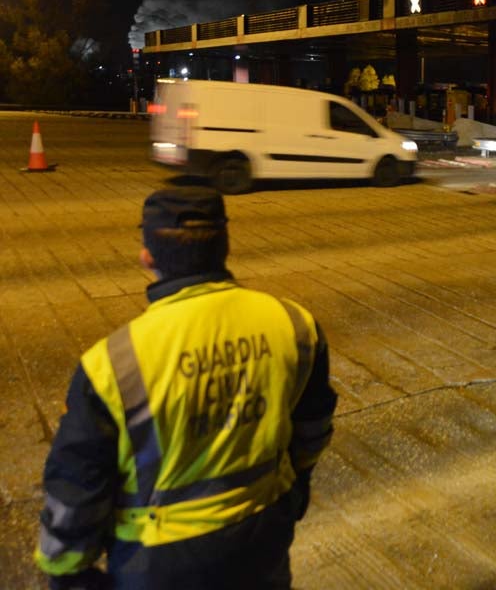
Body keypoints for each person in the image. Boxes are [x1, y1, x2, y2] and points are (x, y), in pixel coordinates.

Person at [35, 187, 338, 589]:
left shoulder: (115, 364)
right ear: (225, 247)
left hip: (158, 560)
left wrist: (66, 572)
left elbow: (76, 484)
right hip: (263, 531)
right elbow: (312, 428)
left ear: (147, 257)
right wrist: (295, 491)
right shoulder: (295, 326)